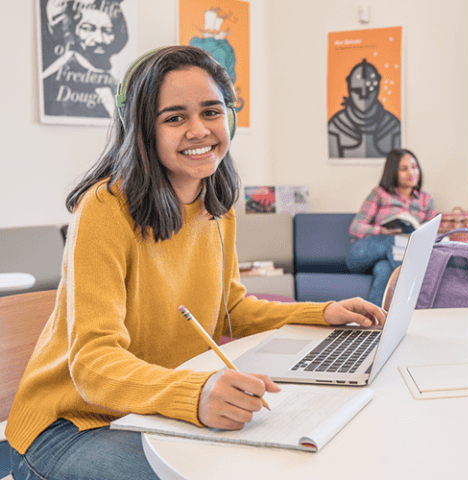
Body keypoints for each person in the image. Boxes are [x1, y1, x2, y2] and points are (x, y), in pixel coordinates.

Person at [6, 46, 385, 480]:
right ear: (142, 131)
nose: (199, 130)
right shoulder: (105, 209)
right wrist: (196, 392)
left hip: (149, 408)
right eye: (174, 118)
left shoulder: (217, 209)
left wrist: (321, 313)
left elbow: (232, 309)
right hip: (71, 424)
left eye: (211, 111)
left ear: (230, 119)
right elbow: (93, 363)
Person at [346, 148, 438, 307]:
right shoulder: (379, 194)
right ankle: (415, 289)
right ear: (393, 171)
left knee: (384, 269)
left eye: (414, 167)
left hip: (394, 257)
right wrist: (382, 231)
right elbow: (355, 227)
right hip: (363, 253)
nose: (411, 172)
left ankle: (375, 323)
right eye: (404, 169)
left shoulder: (426, 200)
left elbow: (431, 233)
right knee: (393, 241)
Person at [41, 0, 130, 118]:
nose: (99, 39)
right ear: (72, 31)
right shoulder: (52, 81)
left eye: (107, 31)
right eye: (88, 29)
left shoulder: (122, 82)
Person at [328, 59, 402, 158]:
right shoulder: (337, 125)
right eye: (357, 90)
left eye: (369, 89)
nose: (363, 95)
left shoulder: (392, 125)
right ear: (349, 88)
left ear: (378, 89)